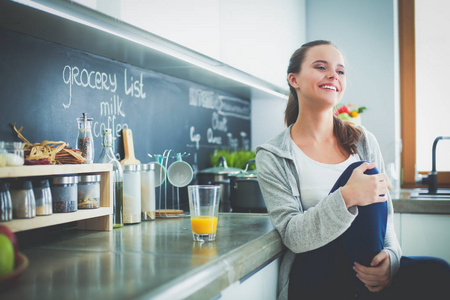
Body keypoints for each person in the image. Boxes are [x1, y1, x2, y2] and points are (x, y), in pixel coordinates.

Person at [255, 40, 450, 300]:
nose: (333, 75)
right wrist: (347, 197)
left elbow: (385, 217)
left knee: (438, 272)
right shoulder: (273, 155)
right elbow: (293, 236)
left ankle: (373, 286)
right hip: (314, 273)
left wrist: (390, 259)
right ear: (294, 79)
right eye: (320, 67)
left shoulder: (362, 141)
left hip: (360, 269)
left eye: (340, 71)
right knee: (362, 172)